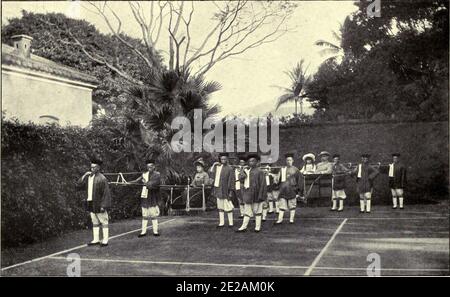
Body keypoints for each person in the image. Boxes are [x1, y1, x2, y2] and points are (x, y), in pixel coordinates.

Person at [76, 158, 111, 247]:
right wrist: (84, 175)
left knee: (104, 221)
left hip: (99, 203)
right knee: (94, 221)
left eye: (94, 167)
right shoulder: (89, 177)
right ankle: (95, 239)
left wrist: (104, 205)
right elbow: (79, 184)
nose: (92, 169)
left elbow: (106, 193)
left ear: (98, 168)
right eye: (91, 167)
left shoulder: (102, 178)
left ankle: (105, 240)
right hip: (90, 201)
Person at [130, 159, 162, 237]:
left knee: (153, 215)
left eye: (151, 167)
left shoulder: (157, 175)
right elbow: (137, 181)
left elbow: (151, 185)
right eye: (148, 167)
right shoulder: (144, 174)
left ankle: (155, 231)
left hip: (152, 197)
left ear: (154, 167)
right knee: (144, 215)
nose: (149, 168)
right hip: (145, 197)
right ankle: (143, 232)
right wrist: (128, 183)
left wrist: (145, 182)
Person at [236, 153, 268, 233]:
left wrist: (261, 195)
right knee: (247, 211)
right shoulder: (246, 170)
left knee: (258, 211)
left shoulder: (260, 172)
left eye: (253, 161)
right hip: (248, 193)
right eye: (250, 161)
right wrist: (243, 171)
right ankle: (243, 227)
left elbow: (263, 184)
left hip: (257, 194)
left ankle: (257, 227)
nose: (251, 163)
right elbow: (241, 179)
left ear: (257, 162)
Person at [209, 152, 235, 228]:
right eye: (222, 159)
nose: (223, 160)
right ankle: (221, 223)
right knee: (220, 207)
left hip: (226, 190)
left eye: (224, 159)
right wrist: (214, 165)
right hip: (218, 190)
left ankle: (231, 223)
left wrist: (230, 191)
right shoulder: (218, 167)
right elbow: (211, 173)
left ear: (227, 159)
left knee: (228, 207)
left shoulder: (230, 168)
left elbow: (231, 180)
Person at [275, 153, 302, 224]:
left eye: (290, 160)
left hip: (292, 190)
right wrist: (276, 180)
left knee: (292, 205)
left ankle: (291, 219)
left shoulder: (296, 170)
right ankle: (280, 219)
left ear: (292, 161)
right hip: (283, 190)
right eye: (287, 160)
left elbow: (299, 180)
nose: (288, 161)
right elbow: (278, 179)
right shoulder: (282, 169)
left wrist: (298, 190)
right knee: (282, 206)